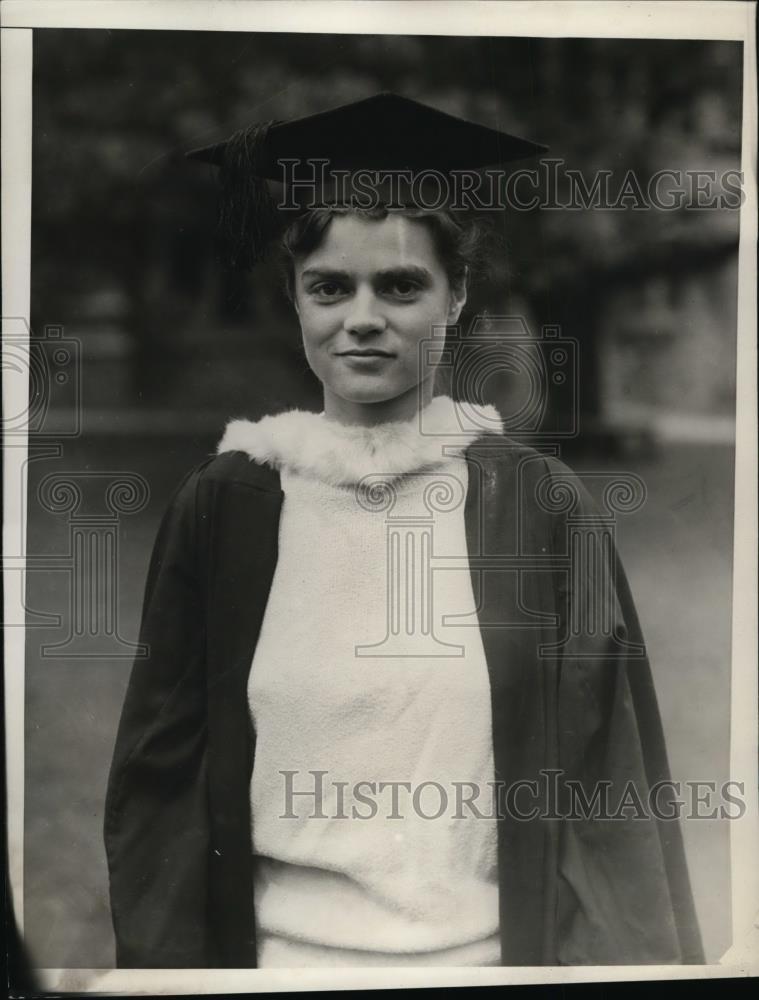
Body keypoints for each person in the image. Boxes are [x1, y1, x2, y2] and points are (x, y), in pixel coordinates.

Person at [103, 93, 705, 969]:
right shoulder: (227, 507)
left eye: (400, 285)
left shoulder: (538, 509)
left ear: (455, 296)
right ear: (295, 298)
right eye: (329, 287)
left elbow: (604, 790)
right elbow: (161, 792)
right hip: (275, 972)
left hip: (486, 966)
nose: (361, 317)